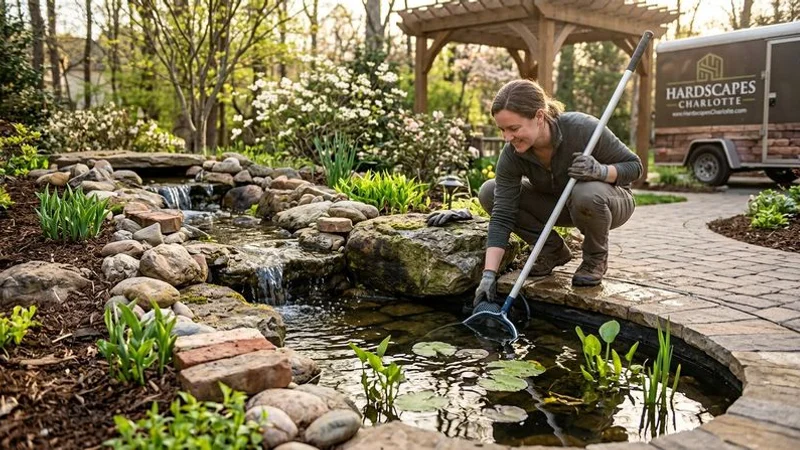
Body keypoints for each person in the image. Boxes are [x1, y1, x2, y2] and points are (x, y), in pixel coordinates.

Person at [469, 79, 642, 307]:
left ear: (539, 116)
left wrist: (600, 171)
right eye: (502, 130)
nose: (507, 138)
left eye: (513, 128)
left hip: (608, 201)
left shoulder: (582, 129)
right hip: (559, 205)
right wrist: (488, 274)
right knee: (490, 192)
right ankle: (551, 250)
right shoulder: (512, 155)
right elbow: (502, 214)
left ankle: (594, 260)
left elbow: (635, 167)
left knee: (586, 191)